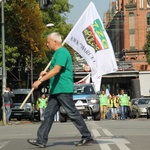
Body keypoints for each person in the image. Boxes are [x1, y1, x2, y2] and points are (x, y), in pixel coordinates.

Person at [27, 32, 93, 148]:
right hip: (56, 89)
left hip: (63, 89)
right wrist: (46, 73)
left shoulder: (62, 52)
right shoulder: (58, 53)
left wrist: (40, 80)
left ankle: (87, 136)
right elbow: (57, 71)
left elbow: (56, 70)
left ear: (55, 42)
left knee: (72, 113)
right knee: (48, 115)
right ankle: (41, 140)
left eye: (48, 42)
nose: (47, 44)